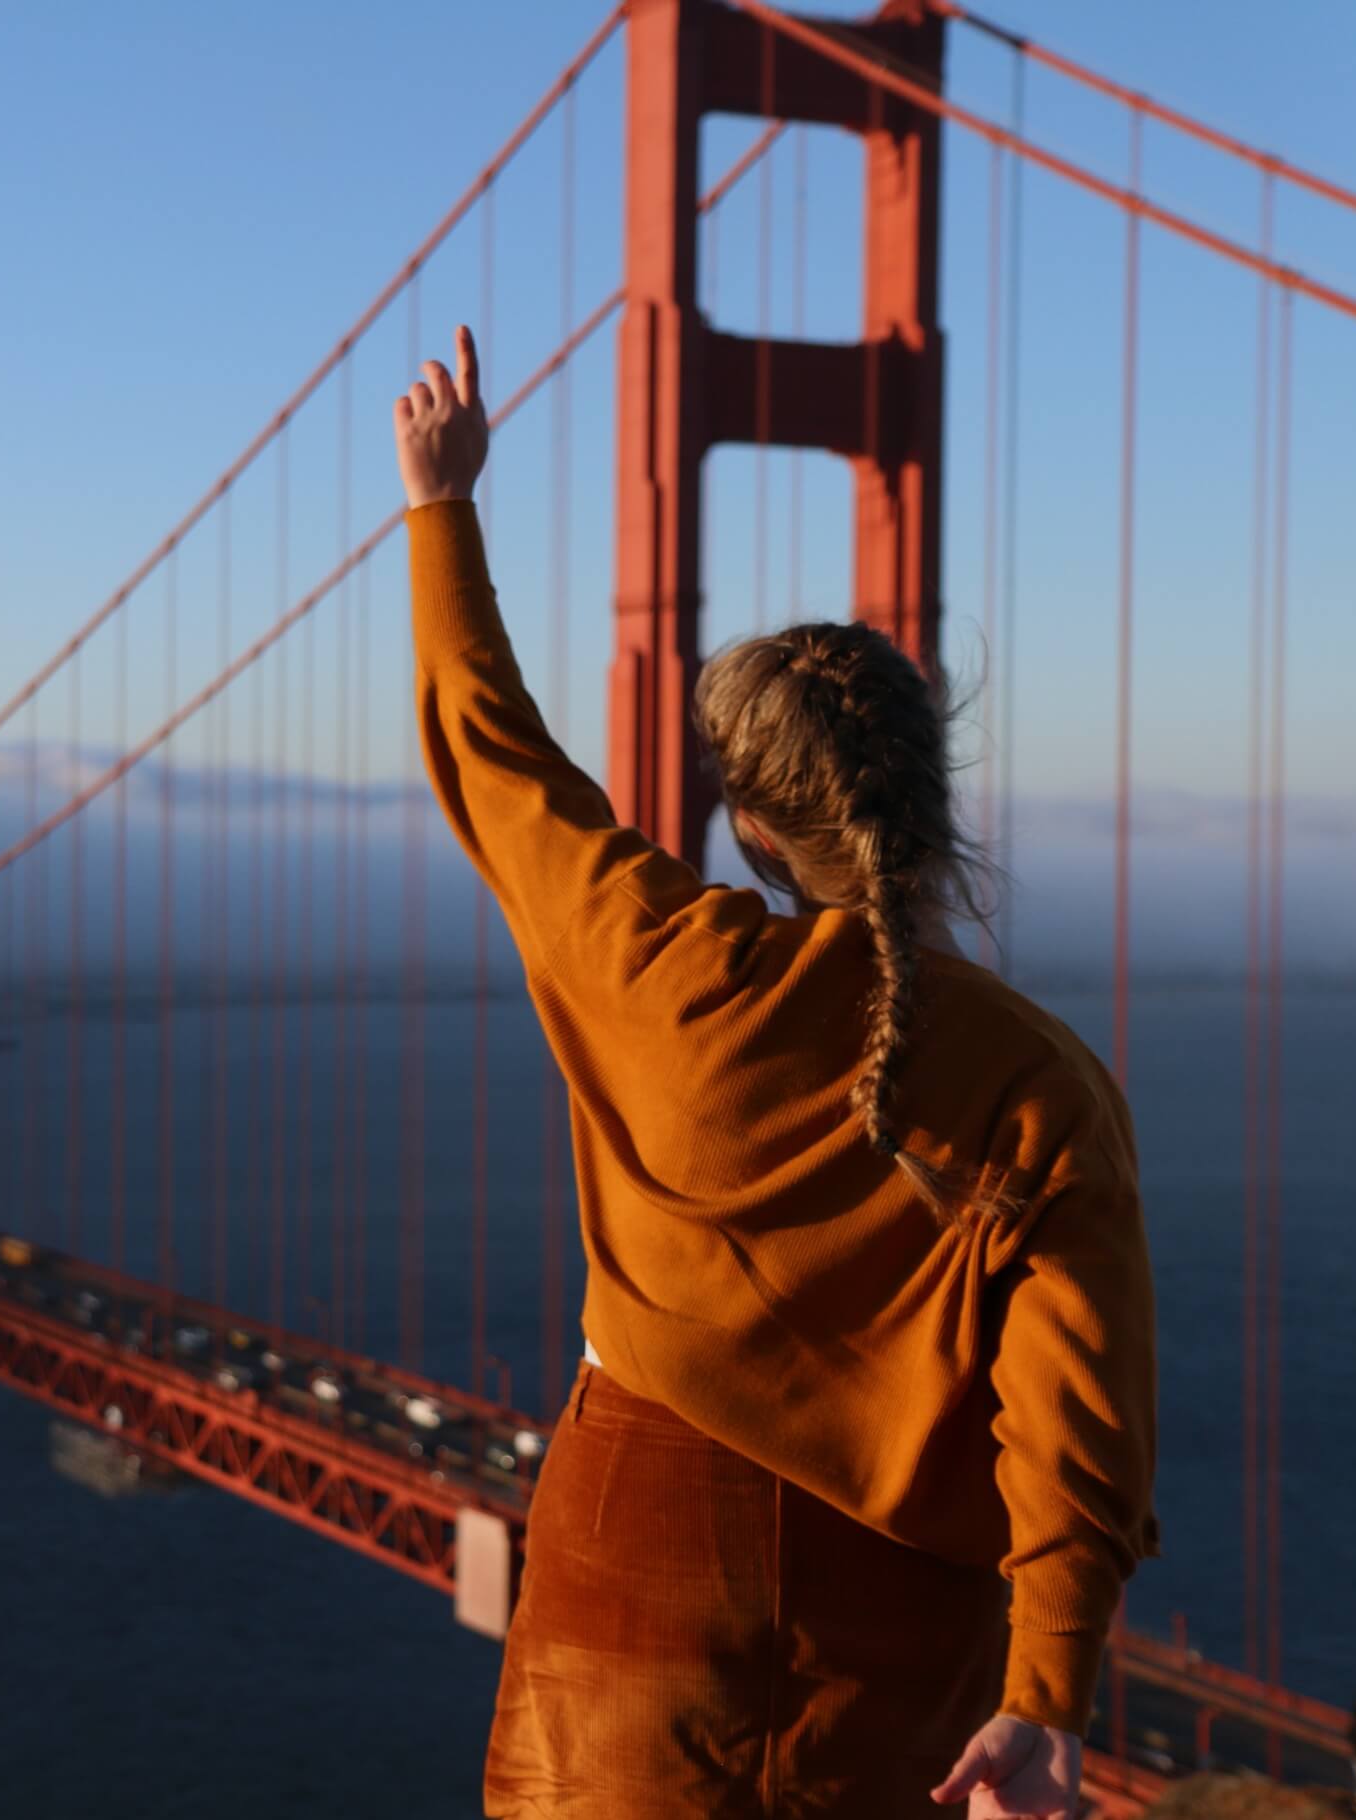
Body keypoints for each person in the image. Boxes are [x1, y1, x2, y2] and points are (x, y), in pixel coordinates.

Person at [392, 326, 1161, 1820]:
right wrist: (1045, 1702)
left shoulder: (652, 962)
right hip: (903, 1654)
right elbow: (1081, 1430)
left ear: (747, 818)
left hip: (631, 1592)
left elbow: (496, 759)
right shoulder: (1046, 1087)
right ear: (934, 806)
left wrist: (443, 505)